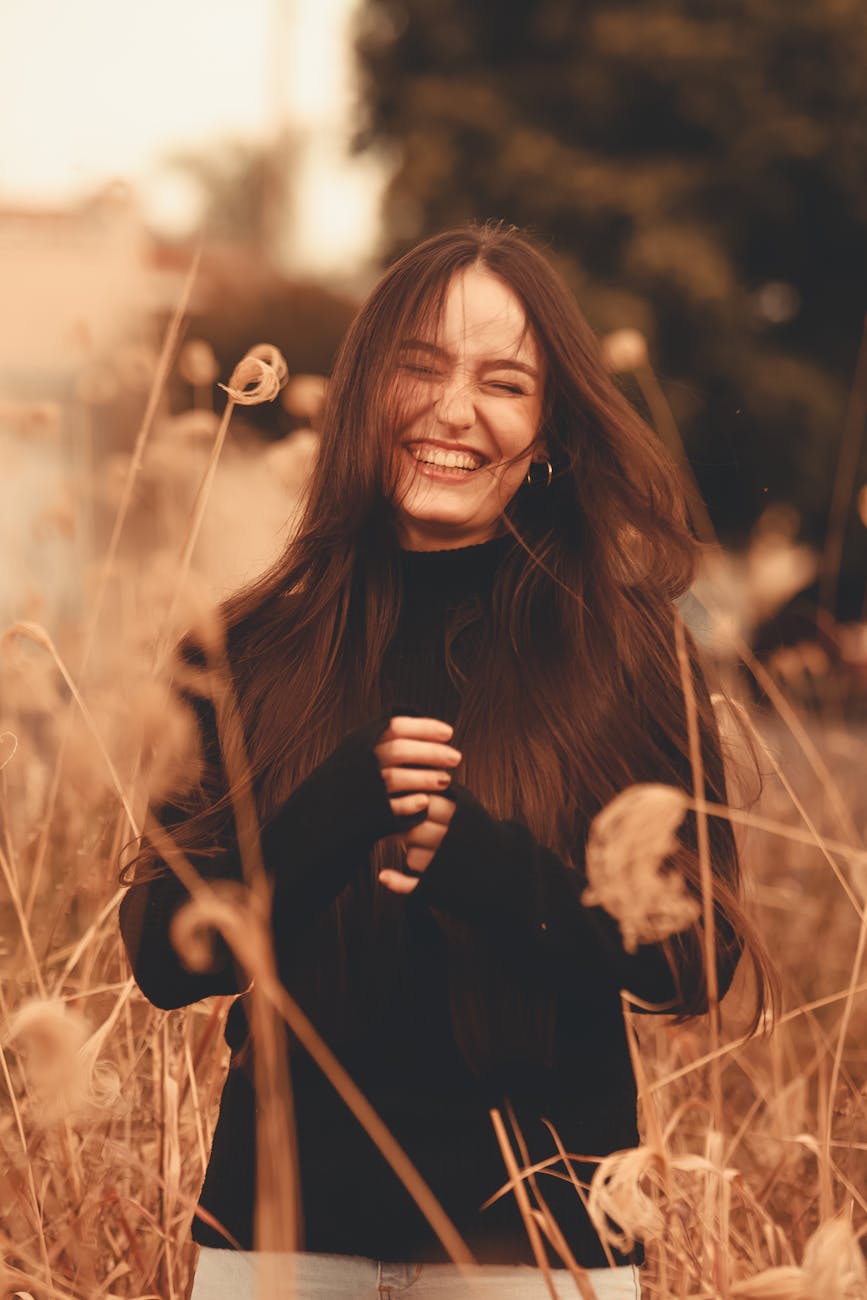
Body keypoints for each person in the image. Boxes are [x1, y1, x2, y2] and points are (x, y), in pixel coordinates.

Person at [119, 224, 772, 1299]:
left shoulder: (627, 647)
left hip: (544, 1250)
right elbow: (160, 957)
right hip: (280, 1242)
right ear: (367, 389)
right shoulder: (242, 644)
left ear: (547, 425)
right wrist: (331, 814)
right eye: (421, 366)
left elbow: (694, 962)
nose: (453, 410)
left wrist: (483, 862)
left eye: (503, 381)